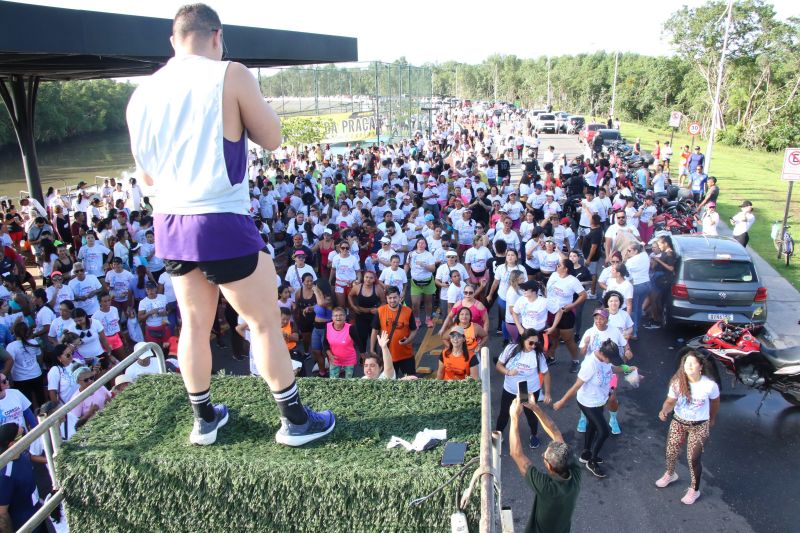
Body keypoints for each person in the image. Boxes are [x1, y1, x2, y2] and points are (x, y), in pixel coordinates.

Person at [127, 4, 334, 446]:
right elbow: (273, 137)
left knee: (193, 324)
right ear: (217, 36)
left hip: (169, 223)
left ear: (173, 40)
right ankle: (295, 420)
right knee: (261, 321)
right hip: (220, 216)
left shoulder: (141, 93)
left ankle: (204, 420)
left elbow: (144, 176)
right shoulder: (229, 73)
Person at [554, 339, 637, 478]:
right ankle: (592, 461)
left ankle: (586, 453)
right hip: (588, 403)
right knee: (604, 431)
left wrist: (627, 369)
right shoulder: (589, 364)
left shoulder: (605, 361)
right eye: (609, 359)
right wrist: (562, 402)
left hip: (599, 400)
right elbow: (576, 386)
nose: (610, 362)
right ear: (603, 355)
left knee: (592, 426)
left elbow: (611, 369)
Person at [656, 350, 720, 505]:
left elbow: (715, 402)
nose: (688, 366)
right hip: (678, 422)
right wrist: (664, 410)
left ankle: (694, 489)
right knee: (671, 452)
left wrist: (712, 418)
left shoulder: (709, 385)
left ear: (701, 366)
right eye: (686, 363)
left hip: (699, 426)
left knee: (693, 459)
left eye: (692, 363)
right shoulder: (677, 382)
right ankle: (670, 474)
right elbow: (670, 401)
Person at [508, 397, 581, 533]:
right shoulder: (575, 473)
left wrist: (514, 417)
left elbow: (516, 453)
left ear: (550, 467)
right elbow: (555, 432)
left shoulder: (547, 488)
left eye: (544, 457)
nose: (543, 456)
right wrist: (535, 408)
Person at [495, 329, 552, 449]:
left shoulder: (538, 354)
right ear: (523, 339)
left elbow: (546, 373)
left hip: (528, 390)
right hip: (510, 389)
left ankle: (534, 435)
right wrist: (508, 372)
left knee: (530, 414)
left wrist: (547, 393)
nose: (533, 346)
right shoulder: (511, 349)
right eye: (530, 343)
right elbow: (498, 365)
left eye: (536, 343)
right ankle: (498, 436)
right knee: (504, 413)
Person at [0, 423, 45, 532]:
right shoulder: (5, 475)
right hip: (25, 525)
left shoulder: (23, 453)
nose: (27, 436)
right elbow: (2, 513)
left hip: (39, 513)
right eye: (23, 434)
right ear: (12, 445)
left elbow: (29, 457)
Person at [544, 258, 586, 372]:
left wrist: (572, 305)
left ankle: (575, 360)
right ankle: (551, 357)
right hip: (551, 311)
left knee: (568, 339)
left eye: (559, 265)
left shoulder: (572, 281)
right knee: (553, 335)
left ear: (566, 269)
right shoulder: (553, 275)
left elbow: (583, 295)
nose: (556, 266)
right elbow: (548, 290)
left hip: (565, 313)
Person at [370, 286, 417, 378]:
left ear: (400, 297)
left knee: (411, 381)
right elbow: (374, 331)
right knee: (388, 382)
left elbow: (414, 330)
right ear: (386, 298)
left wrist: (408, 340)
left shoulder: (408, 311)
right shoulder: (380, 311)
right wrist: (372, 349)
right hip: (387, 355)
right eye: (390, 298)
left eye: (395, 297)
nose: (392, 300)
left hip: (406, 355)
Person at [323, 307, 361, 379]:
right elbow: (325, 343)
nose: (338, 317)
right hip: (334, 359)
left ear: (345, 317)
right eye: (336, 315)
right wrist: (330, 355)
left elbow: (359, 342)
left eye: (341, 315)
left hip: (349, 359)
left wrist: (363, 355)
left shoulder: (351, 328)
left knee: (349, 382)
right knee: (333, 381)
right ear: (332, 317)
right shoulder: (328, 327)